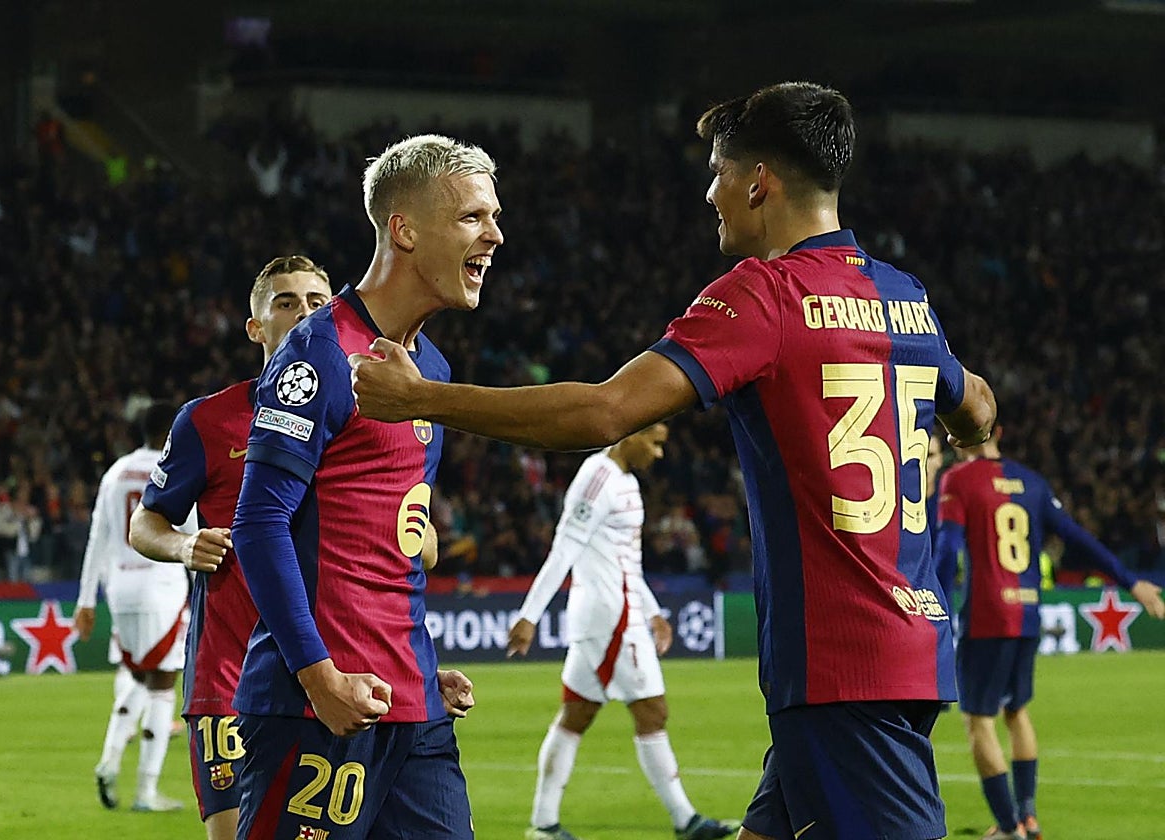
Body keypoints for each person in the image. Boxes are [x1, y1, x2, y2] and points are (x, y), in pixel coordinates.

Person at [350, 82, 997, 840]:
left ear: (759, 182)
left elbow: (601, 412)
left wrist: (423, 396)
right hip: (907, 647)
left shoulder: (765, 295)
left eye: (720, 171)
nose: (709, 191)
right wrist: (952, 416)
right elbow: (979, 405)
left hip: (838, 666)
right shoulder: (904, 296)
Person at [230, 134, 498, 840]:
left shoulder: (429, 370)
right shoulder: (319, 353)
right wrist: (319, 677)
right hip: (316, 711)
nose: (495, 235)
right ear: (404, 229)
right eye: (472, 217)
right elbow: (258, 524)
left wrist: (419, 666)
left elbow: (388, 546)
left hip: (412, 706)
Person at [127, 255, 333, 839]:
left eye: (318, 302)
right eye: (286, 302)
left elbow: (417, 535)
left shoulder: (357, 416)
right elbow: (147, 524)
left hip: (331, 669)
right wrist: (185, 546)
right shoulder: (208, 420)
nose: (304, 314)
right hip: (229, 675)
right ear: (256, 326)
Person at [934, 425, 1165, 840]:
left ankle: (1008, 828)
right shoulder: (1033, 483)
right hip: (1027, 614)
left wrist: (935, 609)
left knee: (978, 721)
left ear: (954, 440)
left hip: (987, 617)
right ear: (1000, 432)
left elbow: (948, 549)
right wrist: (1131, 581)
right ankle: (1028, 817)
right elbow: (1077, 537)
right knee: (1016, 712)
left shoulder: (957, 480)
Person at [508, 423, 736, 840]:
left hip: (618, 613)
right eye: (655, 442)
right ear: (630, 434)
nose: (659, 453)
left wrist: (654, 612)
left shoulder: (624, 481)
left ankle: (543, 823)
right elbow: (565, 548)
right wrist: (530, 614)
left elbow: (626, 562)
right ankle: (685, 820)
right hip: (610, 619)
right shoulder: (598, 478)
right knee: (652, 711)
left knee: (576, 715)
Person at [74, 401, 194, 812]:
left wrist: (86, 600)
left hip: (120, 587)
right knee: (162, 685)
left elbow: (98, 538)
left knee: (138, 678)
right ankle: (146, 792)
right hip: (161, 585)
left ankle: (109, 762)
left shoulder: (116, 472)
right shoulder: (174, 466)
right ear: (170, 430)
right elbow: (191, 533)